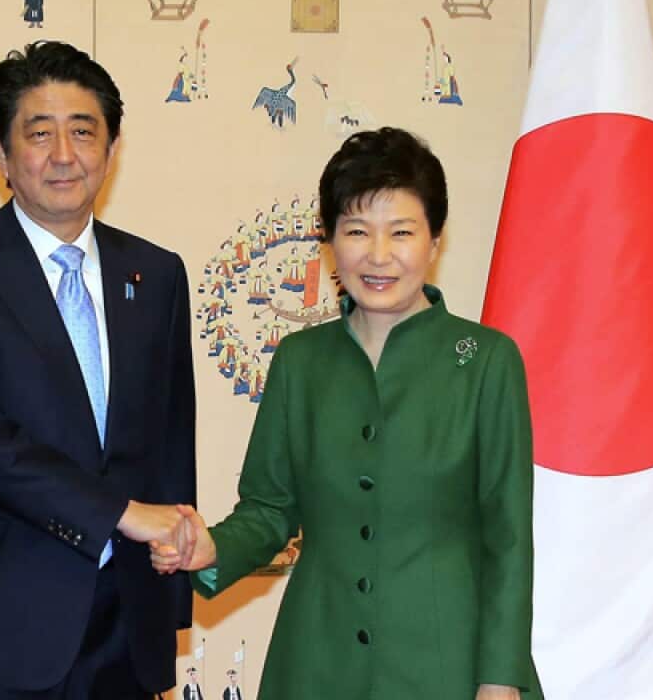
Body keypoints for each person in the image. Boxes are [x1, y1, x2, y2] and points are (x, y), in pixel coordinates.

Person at [154, 128, 540, 699]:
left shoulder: (486, 361)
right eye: (357, 231)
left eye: (402, 233)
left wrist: (500, 679)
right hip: (316, 662)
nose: (378, 255)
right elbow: (269, 509)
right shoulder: (301, 360)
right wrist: (212, 549)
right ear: (331, 241)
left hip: (446, 664)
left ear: (434, 240)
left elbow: (508, 539)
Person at [0, 40, 196, 699]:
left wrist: (169, 595)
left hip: (126, 625)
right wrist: (123, 512)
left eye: (83, 131)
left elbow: (171, 438)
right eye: (40, 133)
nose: (64, 155)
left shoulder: (156, 274)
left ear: (112, 148)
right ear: (3, 155)